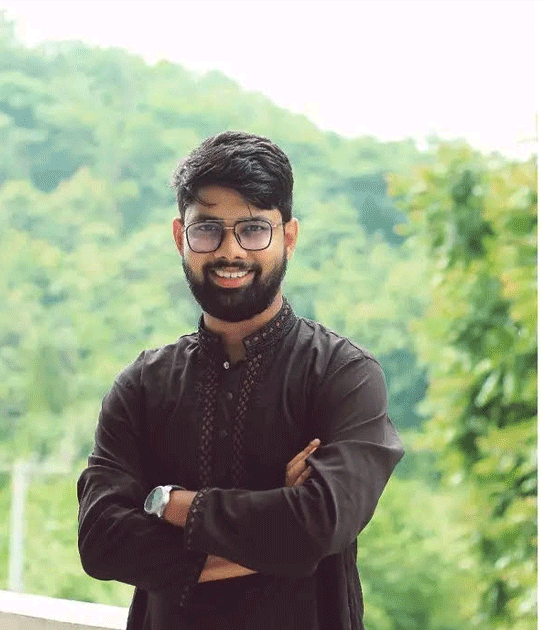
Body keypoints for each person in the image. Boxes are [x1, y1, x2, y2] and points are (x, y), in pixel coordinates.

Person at [77, 130, 404, 629]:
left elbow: (318, 525)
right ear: (179, 237)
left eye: (253, 229)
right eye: (207, 229)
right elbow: (101, 542)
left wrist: (166, 503)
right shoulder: (143, 385)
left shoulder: (342, 374)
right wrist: (280, 530)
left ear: (288, 236)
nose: (230, 251)